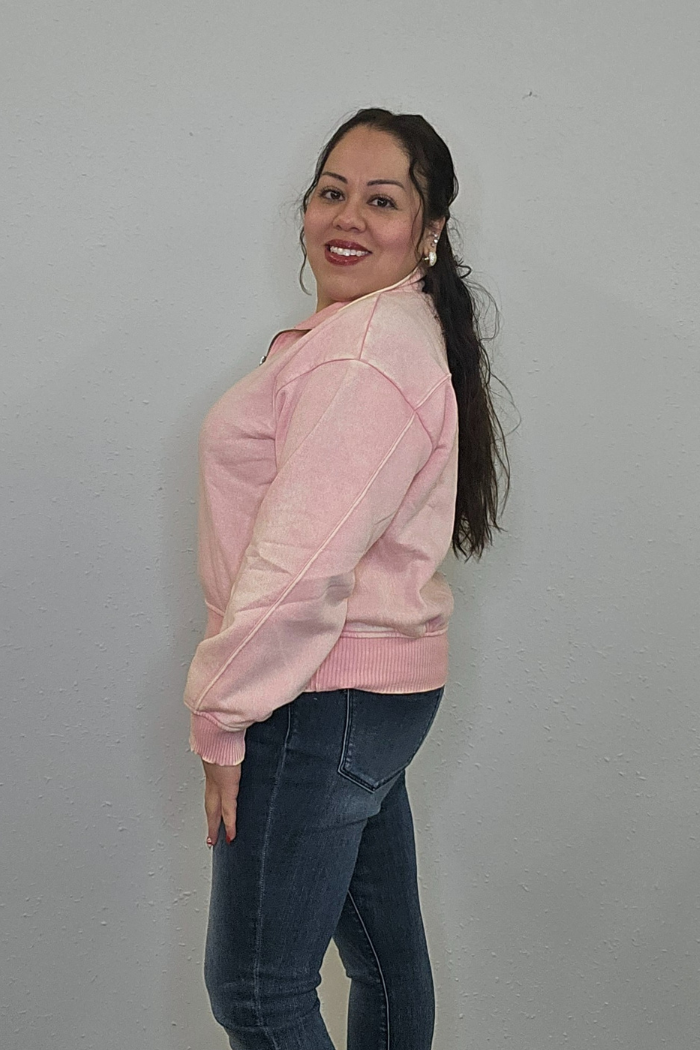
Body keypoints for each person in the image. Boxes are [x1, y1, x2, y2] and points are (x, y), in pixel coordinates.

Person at [182, 107, 511, 1050]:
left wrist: (222, 716)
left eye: (383, 200)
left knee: (257, 992)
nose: (348, 218)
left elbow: (300, 566)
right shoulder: (378, 333)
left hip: (316, 695)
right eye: (332, 192)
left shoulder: (365, 355)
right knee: (382, 959)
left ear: (429, 230)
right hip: (370, 697)